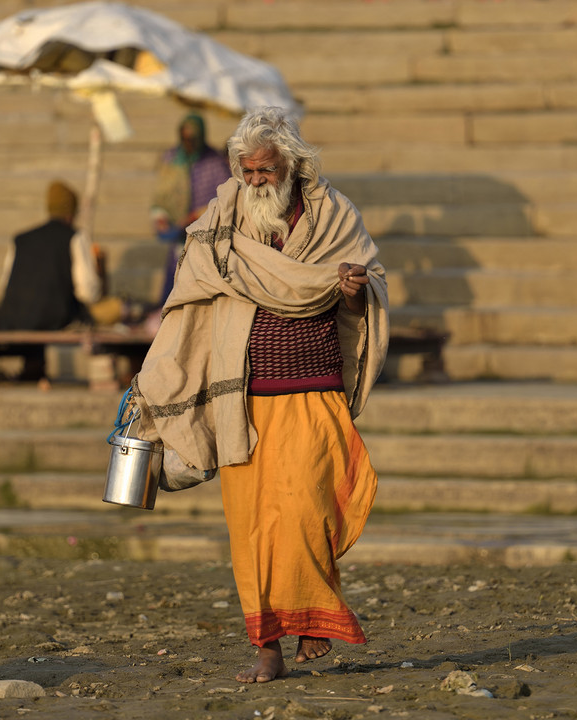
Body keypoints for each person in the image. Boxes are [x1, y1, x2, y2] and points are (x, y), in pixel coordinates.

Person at [132, 106, 389, 683]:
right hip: (239, 400)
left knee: (305, 510)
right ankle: (268, 646)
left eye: (265, 171)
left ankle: (314, 620)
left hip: (313, 390)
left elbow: (364, 292)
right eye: (246, 171)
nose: (255, 181)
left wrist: (350, 291)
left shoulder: (334, 217)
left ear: (293, 165)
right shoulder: (221, 219)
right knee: (251, 527)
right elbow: (190, 294)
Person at [0, 180, 104, 381]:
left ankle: (33, 367)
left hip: (14, 318)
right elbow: (87, 292)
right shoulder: (74, 237)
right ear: (71, 213)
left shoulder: (21, 239)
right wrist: (100, 273)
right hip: (55, 319)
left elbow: (5, 285)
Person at [150, 112, 233, 307]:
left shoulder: (214, 162)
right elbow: (160, 195)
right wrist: (161, 215)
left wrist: (195, 216)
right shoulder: (170, 158)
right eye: (185, 138)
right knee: (174, 275)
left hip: (205, 231)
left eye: (192, 139)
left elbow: (223, 198)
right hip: (176, 232)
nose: (188, 143)